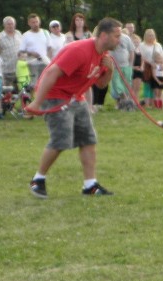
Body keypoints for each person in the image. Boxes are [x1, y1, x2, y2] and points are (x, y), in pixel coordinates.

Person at [27, 17, 123, 198]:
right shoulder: (79, 50)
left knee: (88, 139)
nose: (120, 40)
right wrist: (37, 102)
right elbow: (51, 72)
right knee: (61, 139)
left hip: (76, 98)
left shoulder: (104, 57)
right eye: (117, 36)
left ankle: (90, 185)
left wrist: (109, 71)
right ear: (104, 35)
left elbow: (101, 85)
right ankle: (37, 180)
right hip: (54, 95)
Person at [19, 13, 50, 86]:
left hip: (44, 61)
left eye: (37, 22)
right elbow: (21, 51)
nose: (35, 24)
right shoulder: (26, 35)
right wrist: (31, 53)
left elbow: (49, 47)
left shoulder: (45, 33)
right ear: (29, 23)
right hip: (32, 62)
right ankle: (34, 97)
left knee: (45, 83)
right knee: (34, 84)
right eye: (33, 22)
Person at [109, 25, 136, 107]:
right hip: (114, 66)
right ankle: (124, 99)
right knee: (116, 84)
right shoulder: (110, 38)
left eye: (119, 29)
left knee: (127, 84)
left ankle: (125, 103)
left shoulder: (126, 38)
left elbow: (131, 51)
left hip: (126, 65)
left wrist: (130, 64)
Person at [140, 28, 163, 108]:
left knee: (158, 86)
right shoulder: (142, 45)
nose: (151, 37)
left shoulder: (158, 45)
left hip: (158, 68)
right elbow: (141, 57)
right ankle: (148, 103)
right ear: (146, 36)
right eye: (149, 35)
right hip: (148, 67)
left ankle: (159, 103)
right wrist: (150, 63)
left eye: (152, 35)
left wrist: (162, 65)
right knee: (148, 86)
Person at [0, 16, 22, 90]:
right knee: (7, 94)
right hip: (6, 70)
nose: (10, 26)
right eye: (8, 24)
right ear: (4, 25)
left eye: (12, 24)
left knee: (20, 93)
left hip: (19, 69)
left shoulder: (19, 34)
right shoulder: (0, 37)